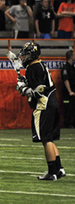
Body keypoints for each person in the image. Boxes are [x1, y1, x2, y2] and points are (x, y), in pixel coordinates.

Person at [15, 42, 65, 180]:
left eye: (25, 55)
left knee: (46, 139)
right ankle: (59, 169)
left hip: (43, 106)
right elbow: (39, 84)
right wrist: (25, 82)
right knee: (50, 139)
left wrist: (22, 88)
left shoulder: (33, 67)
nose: (23, 58)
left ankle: (52, 172)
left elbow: (37, 92)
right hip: (52, 104)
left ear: (32, 55)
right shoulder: (40, 65)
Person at [61, 50, 75, 128]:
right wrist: (70, 91)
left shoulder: (73, 67)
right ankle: (68, 124)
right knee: (68, 108)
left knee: (73, 109)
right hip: (68, 93)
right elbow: (66, 80)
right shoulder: (66, 68)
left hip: (73, 91)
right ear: (71, 57)